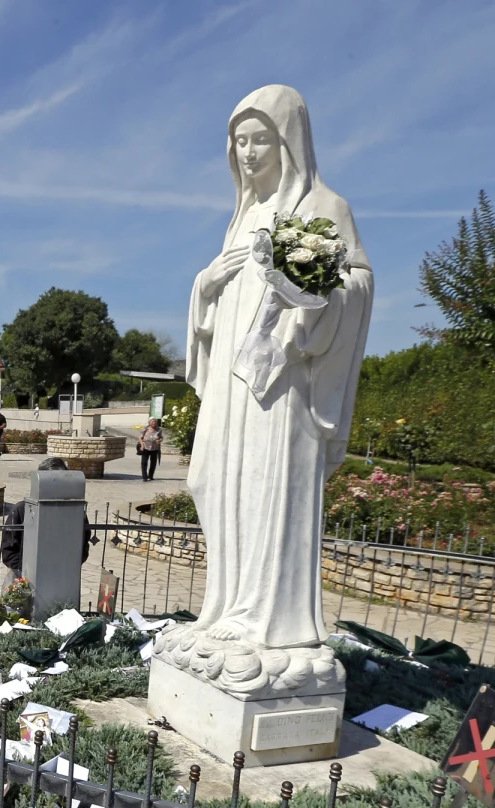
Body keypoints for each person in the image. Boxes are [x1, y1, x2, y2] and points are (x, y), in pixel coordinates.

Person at [174, 84, 373, 652]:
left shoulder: (324, 207)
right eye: (240, 141)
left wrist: (315, 295)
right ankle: (226, 605)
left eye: (262, 139)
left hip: (283, 383)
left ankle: (266, 620)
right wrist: (203, 287)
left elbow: (356, 282)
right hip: (232, 387)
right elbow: (220, 297)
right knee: (210, 479)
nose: (250, 152)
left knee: (267, 491)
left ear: (289, 141)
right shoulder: (241, 218)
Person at [0, 457, 91, 583]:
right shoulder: (22, 510)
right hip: (25, 580)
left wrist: (66, 567)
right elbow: (8, 550)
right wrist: (27, 571)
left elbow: (83, 545)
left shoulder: (76, 512)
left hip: (63, 578)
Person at [138, 417, 164, 481]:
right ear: (149, 422)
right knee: (144, 462)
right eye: (152, 422)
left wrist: (160, 440)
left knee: (153, 463)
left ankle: (151, 476)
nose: (154, 423)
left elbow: (161, 437)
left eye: (155, 422)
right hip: (145, 447)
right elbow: (140, 438)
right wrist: (142, 445)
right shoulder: (145, 429)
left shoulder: (159, 430)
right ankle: (144, 477)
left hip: (155, 448)